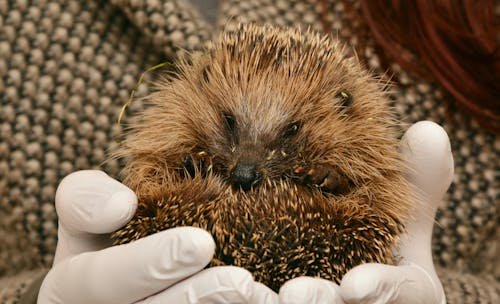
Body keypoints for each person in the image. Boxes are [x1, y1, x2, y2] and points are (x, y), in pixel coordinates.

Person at [1, 0, 498, 303]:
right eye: (231, 125)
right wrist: (30, 299)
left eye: (289, 136)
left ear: (344, 110)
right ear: (202, 89)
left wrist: (452, 300)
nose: (245, 166)